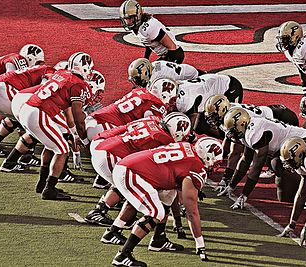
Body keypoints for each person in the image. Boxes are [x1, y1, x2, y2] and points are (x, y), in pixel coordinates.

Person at [111, 137, 223, 266]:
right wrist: (200, 243)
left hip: (129, 165)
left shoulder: (186, 146)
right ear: (208, 157)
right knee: (156, 212)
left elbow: (176, 180)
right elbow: (191, 212)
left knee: (169, 194)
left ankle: (158, 239)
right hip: (131, 173)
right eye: (215, 162)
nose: (215, 166)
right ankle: (123, 255)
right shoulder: (196, 168)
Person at [84, 113, 191, 241]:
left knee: (130, 183)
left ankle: (112, 218)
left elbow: (125, 128)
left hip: (103, 146)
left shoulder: (152, 120)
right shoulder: (164, 139)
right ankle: (108, 224)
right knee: (135, 188)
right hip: (111, 155)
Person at [15, 52, 93, 200]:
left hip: (29, 108)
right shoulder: (78, 84)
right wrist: (82, 136)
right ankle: (49, 189)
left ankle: (42, 183)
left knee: (52, 146)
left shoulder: (62, 73)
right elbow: (77, 115)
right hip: (38, 113)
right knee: (62, 149)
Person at [218, 107, 306, 209]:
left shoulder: (255, 133)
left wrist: (244, 195)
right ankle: (302, 188)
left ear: (242, 124)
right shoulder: (247, 131)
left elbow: (257, 167)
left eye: (233, 129)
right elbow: (245, 160)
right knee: (285, 197)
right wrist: (231, 186)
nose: (231, 133)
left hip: (302, 140)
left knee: (276, 162)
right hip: (284, 146)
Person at [202, 94, 299, 190]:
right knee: (261, 149)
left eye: (213, 115)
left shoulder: (233, 119)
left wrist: (225, 179)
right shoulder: (227, 115)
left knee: (279, 158)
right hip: (269, 119)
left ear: (222, 110)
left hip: (282, 117)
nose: (211, 119)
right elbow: (228, 144)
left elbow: (236, 152)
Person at [0, 64, 55, 157]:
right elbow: (42, 91)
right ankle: (25, 156)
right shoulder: (53, 73)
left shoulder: (43, 69)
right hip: (2, 88)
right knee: (32, 119)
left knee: (16, 119)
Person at [119, 0, 184, 63]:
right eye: (125, 19)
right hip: (166, 55)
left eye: (130, 18)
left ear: (138, 15)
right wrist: (146, 59)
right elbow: (148, 43)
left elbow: (172, 46)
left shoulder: (149, 27)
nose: (128, 22)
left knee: (151, 72)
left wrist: (168, 65)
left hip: (174, 54)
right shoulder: (136, 28)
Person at [128, 58, 204, 88]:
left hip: (191, 78)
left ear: (145, 73)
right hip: (188, 70)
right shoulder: (153, 65)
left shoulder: (157, 77)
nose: (135, 81)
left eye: (137, 78)